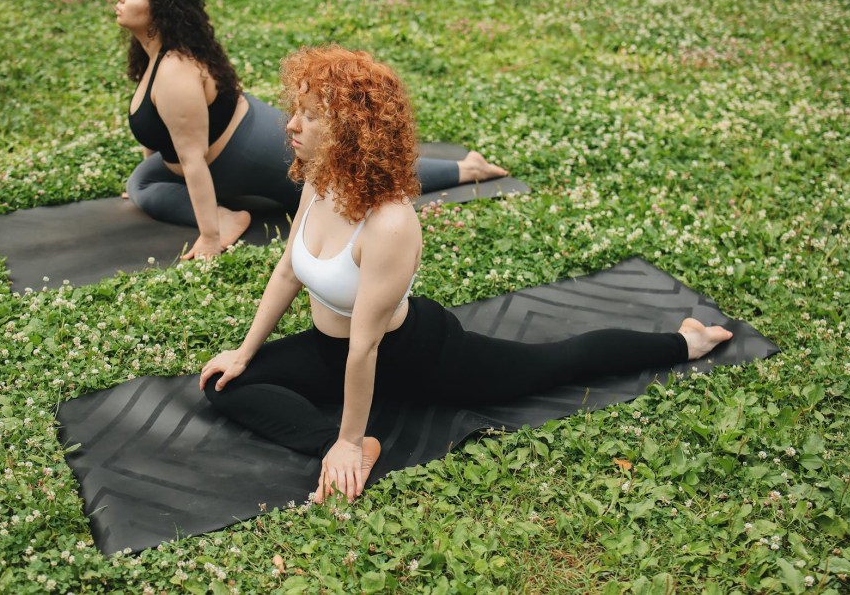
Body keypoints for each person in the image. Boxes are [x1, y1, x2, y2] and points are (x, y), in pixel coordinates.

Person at [198, 46, 734, 504]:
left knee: (554, 364)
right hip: (329, 347)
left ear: (352, 131)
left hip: (414, 355)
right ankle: (343, 447)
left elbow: (366, 348)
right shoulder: (320, 182)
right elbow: (287, 272)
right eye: (297, 111)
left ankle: (683, 342)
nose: (291, 125)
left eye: (311, 116)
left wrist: (348, 438)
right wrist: (245, 353)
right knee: (226, 385)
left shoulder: (389, 223)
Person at [115, 0, 508, 260]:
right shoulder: (152, 54)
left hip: (248, 152)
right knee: (141, 184)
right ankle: (222, 213)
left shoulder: (175, 72)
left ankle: (466, 169)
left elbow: (193, 158)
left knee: (354, 175)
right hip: (225, 149)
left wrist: (209, 238)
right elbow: (160, 131)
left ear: (159, 11)